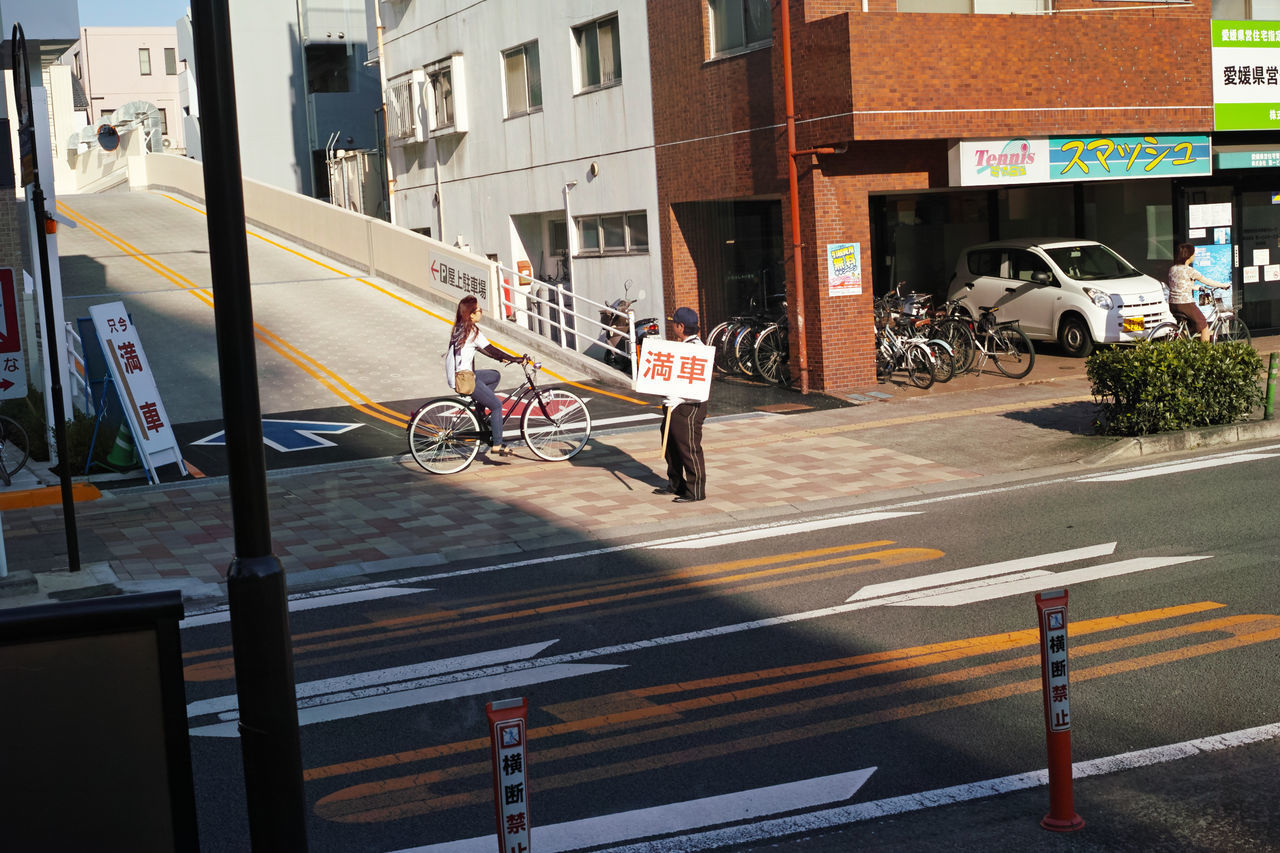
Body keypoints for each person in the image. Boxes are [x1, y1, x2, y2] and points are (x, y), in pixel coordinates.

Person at [444, 295, 523, 455]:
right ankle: (498, 444)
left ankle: (480, 409)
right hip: (465, 379)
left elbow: (484, 350)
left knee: (494, 375)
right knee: (496, 406)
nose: (481, 312)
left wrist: (501, 358)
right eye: (479, 310)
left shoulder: (461, 327)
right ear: (471, 314)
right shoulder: (472, 331)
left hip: (459, 375)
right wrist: (513, 358)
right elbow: (491, 348)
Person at [655, 306, 708, 503]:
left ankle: (696, 491)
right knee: (670, 442)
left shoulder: (697, 349)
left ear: (681, 326)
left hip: (689, 406)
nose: (672, 327)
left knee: (688, 447)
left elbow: (700, 385)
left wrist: (680, 397)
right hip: (676, 404)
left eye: (673, 323)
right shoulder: (682, 347)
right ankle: (676, 483)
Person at [1167, 243, 1218, 343]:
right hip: (1186, 304)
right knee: (1204, 326)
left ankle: (1182, 342)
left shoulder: (1172, 269)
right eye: (1193, 254)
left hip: (1173, 304)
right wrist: (1223, 285)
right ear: (1189, 256)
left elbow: (1180, 285)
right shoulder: (1190, 271)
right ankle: (1205, 354)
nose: (1194, 256)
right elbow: (1207, 281)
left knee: (1188, 328)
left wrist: (1195, 287)